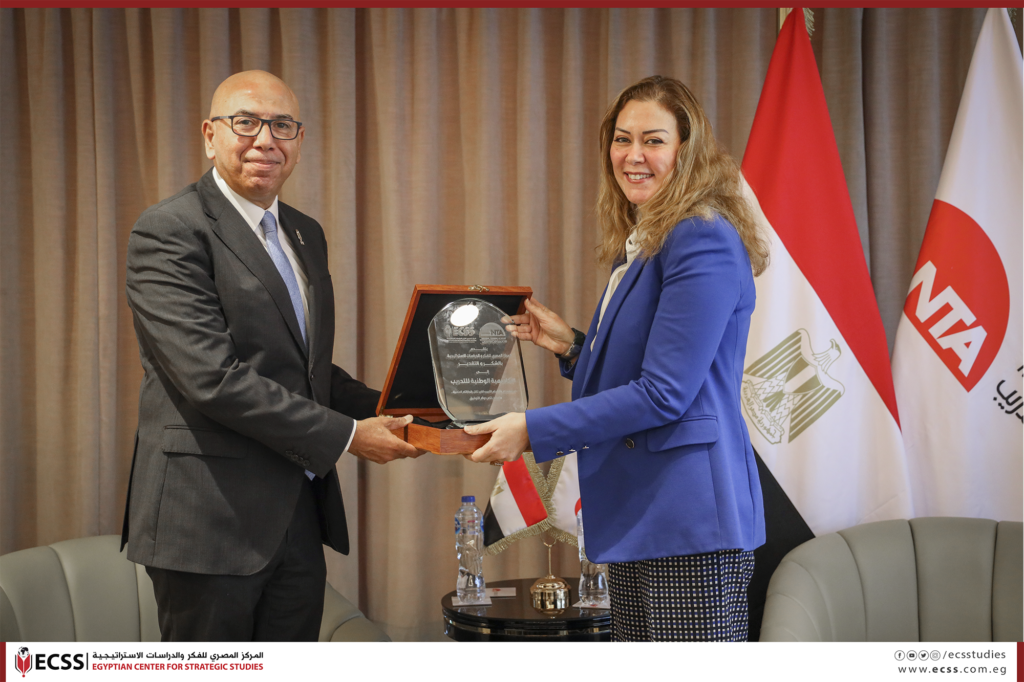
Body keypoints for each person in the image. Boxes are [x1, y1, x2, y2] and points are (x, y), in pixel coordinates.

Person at [465, 75, 770, 641]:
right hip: (641, 513)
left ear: (687, 150)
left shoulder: (700, 236)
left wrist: (531, 430)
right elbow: (653, 367)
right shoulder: (648, 236)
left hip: (687, 521)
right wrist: (572, 346)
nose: (633, 156)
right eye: (622, 139)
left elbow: (664, 393)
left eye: (653, 140)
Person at [121, 70, 422, 642]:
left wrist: (409, 408)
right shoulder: (170, 229)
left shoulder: (304, 232)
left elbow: (305, 368)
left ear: (299, 140)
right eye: (246, 122)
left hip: (297, 513)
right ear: (210, 135)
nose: (265, 140)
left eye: (282, 125)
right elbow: (213, 378)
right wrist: (349, 436)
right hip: (207, 521)